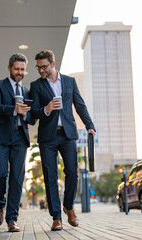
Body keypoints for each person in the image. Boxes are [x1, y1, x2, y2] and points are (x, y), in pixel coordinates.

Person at [29, 50, 95, 231]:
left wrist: (90, 125)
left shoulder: (69, 81)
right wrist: (46, 109)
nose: (41, 70)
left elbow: (79, 105)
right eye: (38, 67)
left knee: (72, 172)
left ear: (53, 64)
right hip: (47, 137)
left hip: (67, 134)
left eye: (44, 66)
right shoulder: (36, 86)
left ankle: (69, 207)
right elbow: (32, 113)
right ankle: (56, 217)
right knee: (50, 177)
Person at [0, 53, 35, 232]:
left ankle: (12, 219)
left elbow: (32, 118)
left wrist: (26, 114)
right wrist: (14, 109)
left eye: (22, 69)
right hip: (0, 135)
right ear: (9, 68)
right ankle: (0, 203)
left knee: (17, 178)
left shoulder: (27, 91)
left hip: (20, 137)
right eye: (17, 69)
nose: (20, 72)